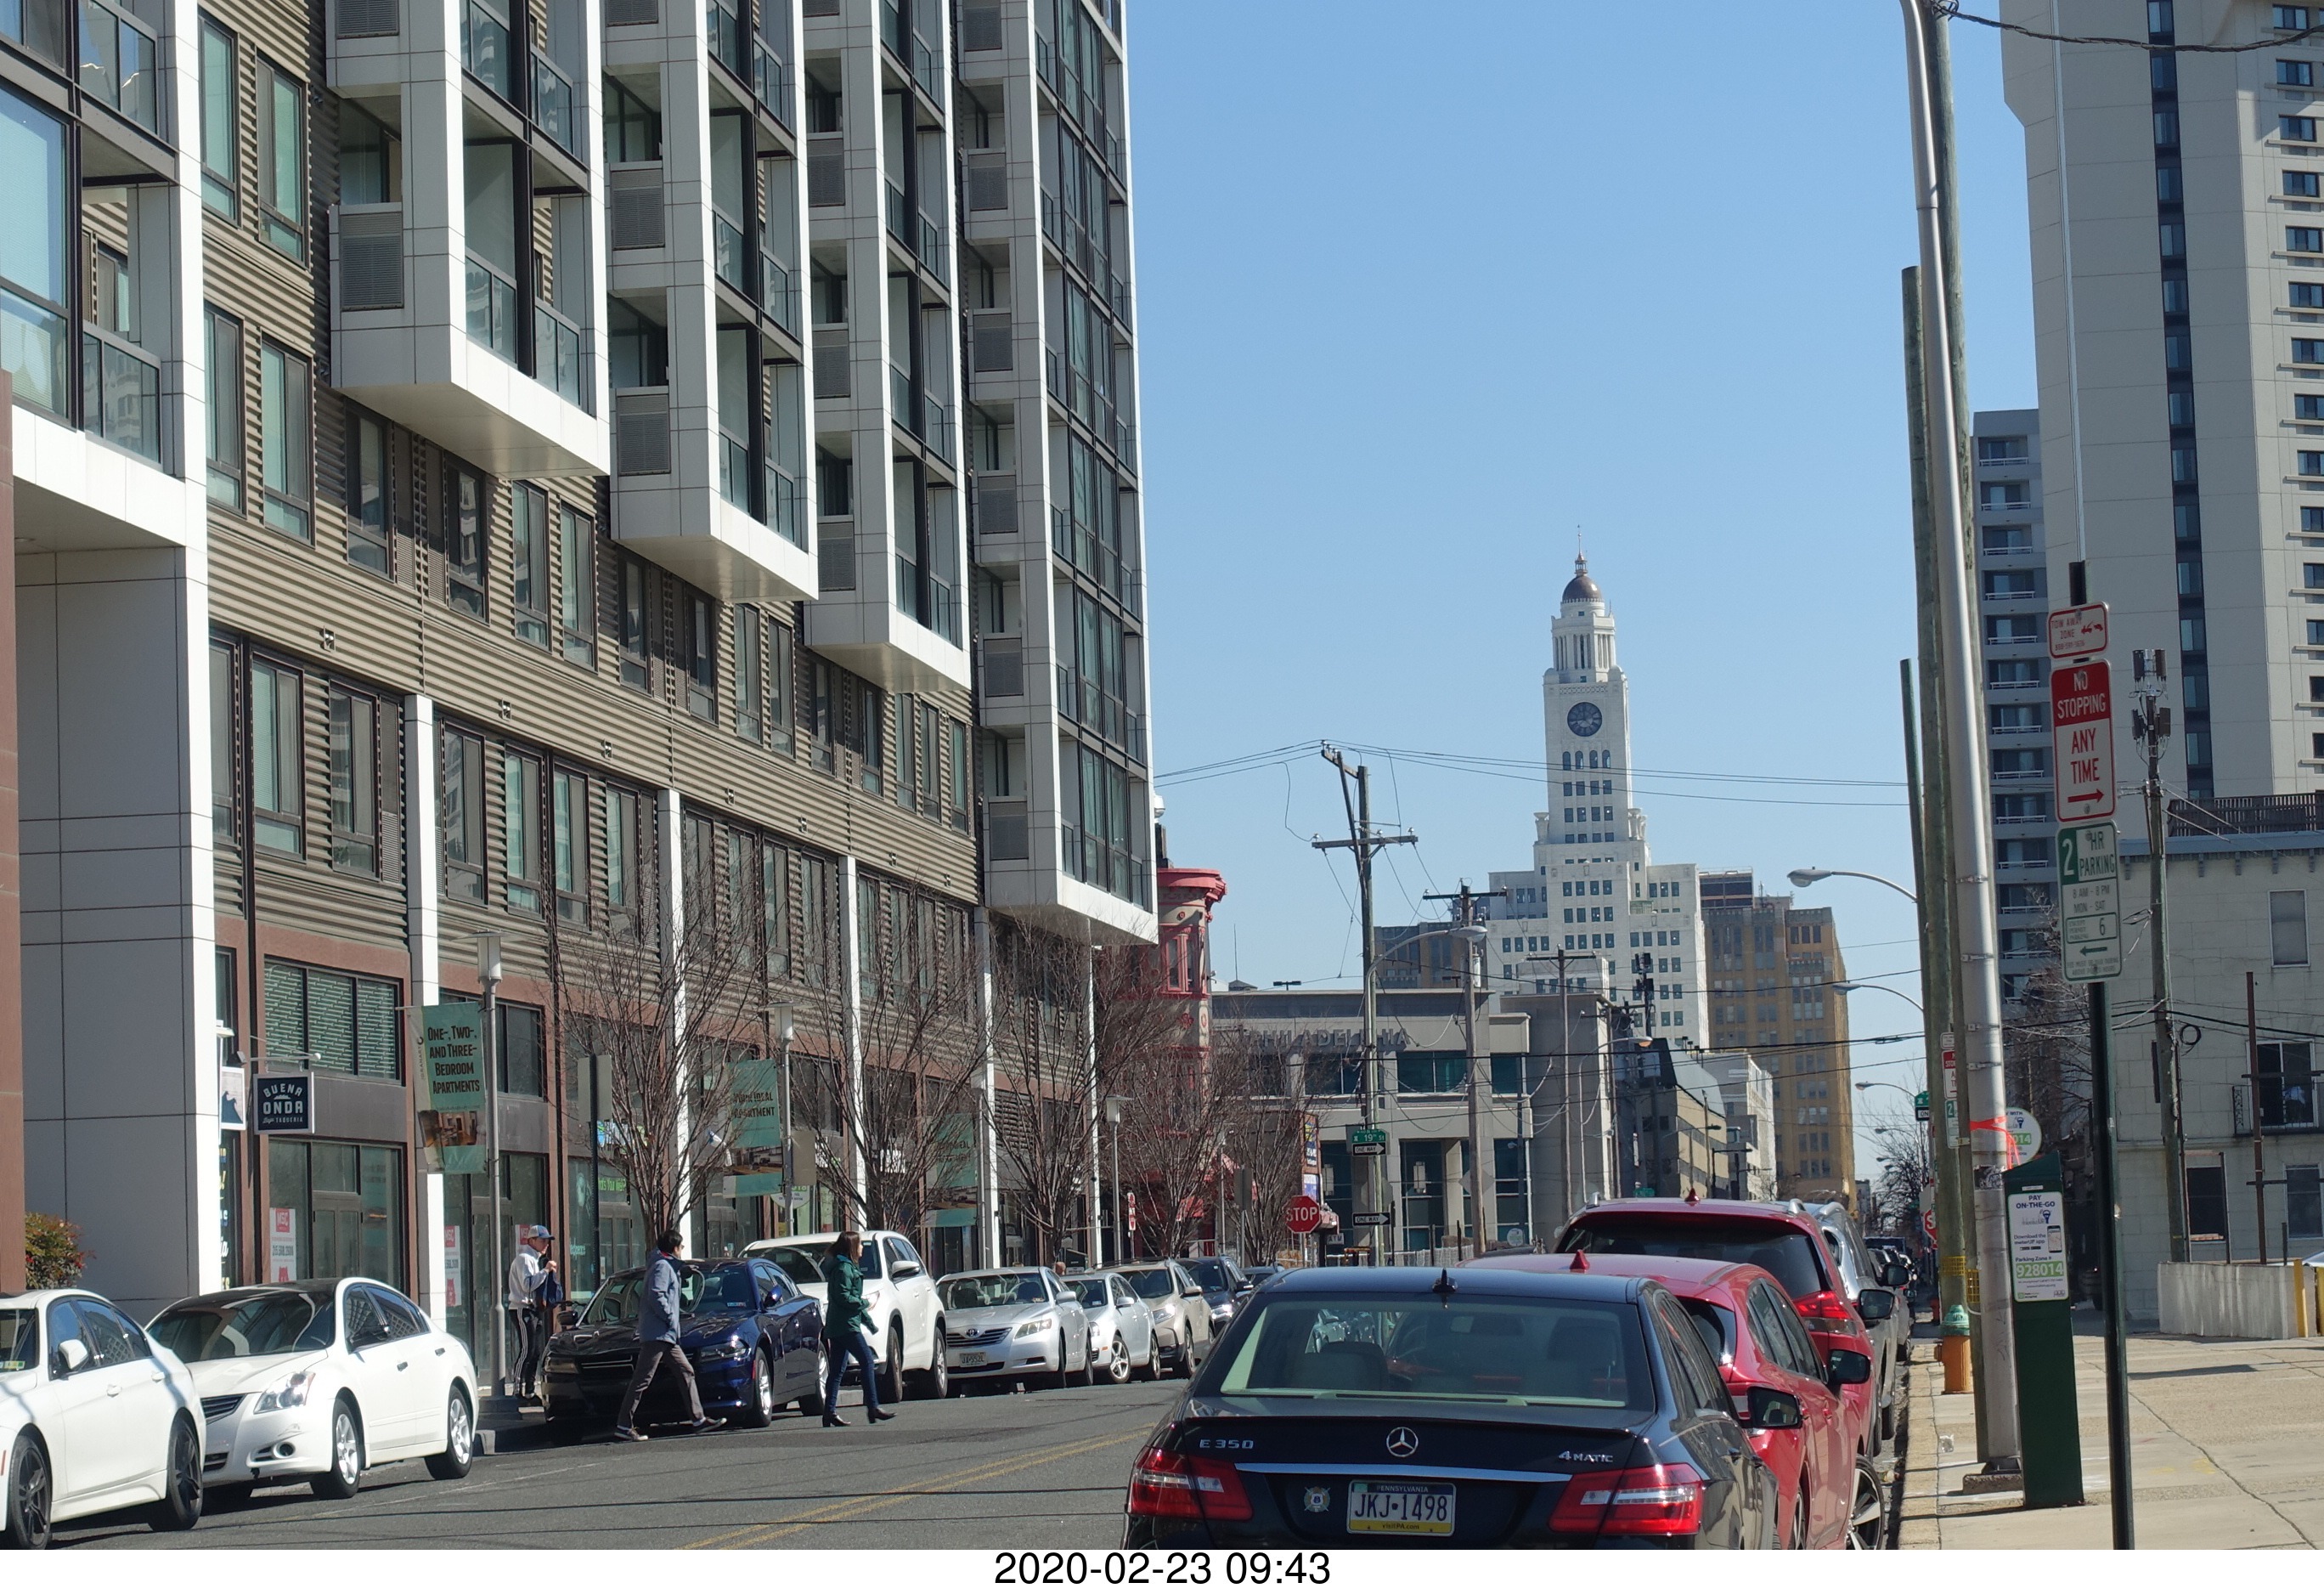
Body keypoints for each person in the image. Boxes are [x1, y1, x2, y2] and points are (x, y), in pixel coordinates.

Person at [612, 1230, 723, 1442]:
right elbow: (656, 1294)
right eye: (681, 1247)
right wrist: (670, 1317)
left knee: (686, 1371)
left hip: (666, 1334)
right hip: (658, 1334)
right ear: (675, 1248)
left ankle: (698, 1419)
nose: (682, 1251)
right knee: (642, 1379)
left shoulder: (664, 1264)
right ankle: (624, 1425)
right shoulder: (662, 1266)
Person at [817, 1231, 895, 1428]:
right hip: (845, 1326)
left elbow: (851, 1301)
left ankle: (829, 1413)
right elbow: (843, 1297)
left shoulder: (847, 1267)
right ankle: (872, 1406)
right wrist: (864, 1302)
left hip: (841, 1325)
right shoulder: (844, 1269)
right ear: (852, 1247)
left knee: (837, 1370)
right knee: (867, 1360)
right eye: (860, 1245)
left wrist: (868, 1322)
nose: (862, 1249)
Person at [505, 1225, 556, 1399]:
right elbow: (527, 1285)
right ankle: (517, 1389)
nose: (546, 1244)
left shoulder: (535, 1259)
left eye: (547, 1241)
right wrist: (546, 1271)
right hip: (522, 1308)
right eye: (542, 1240)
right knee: (527, 1350)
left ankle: (529, 1390)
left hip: (534, 1309)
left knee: (535, 1351)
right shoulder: (525, 1259)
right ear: (531, 1241)